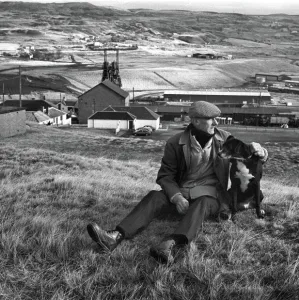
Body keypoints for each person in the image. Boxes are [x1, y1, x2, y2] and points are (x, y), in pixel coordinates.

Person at [86, 101, 268, 264]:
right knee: (154, 197)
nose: (216, 123)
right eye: (211, 119)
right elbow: (165, 176)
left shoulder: (224, 138)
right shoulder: (175, 143)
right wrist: (177, 197)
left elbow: (248, 153)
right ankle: (114, 237)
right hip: (182, 197)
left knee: (203, 203)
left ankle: (168, 245)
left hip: (210, 198)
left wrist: (261, 152)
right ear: (196, 121)